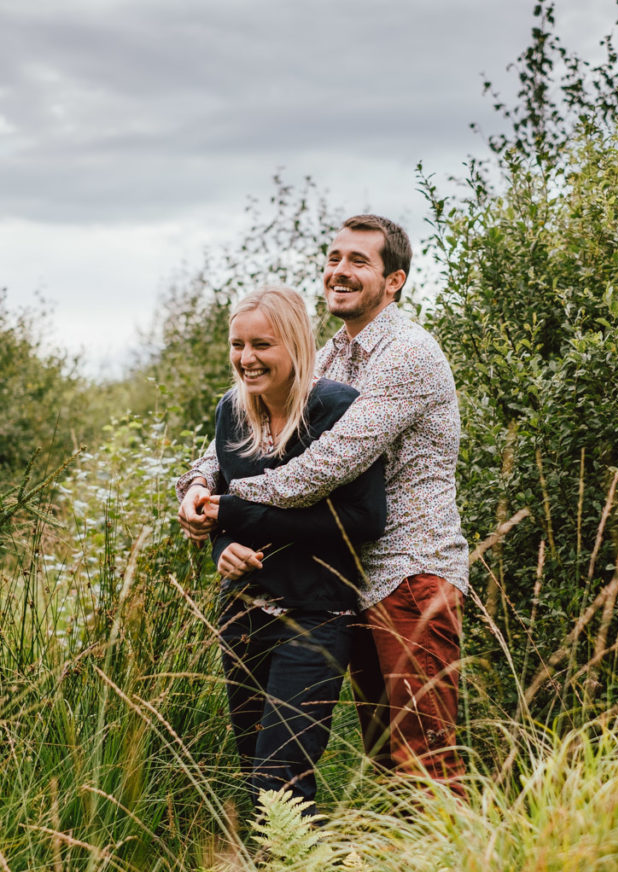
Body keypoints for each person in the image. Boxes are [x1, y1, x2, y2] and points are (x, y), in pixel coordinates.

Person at [177, 215, 469, 796]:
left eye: (359, 261)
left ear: (395, 281)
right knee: (385, 762)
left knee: (425, 758)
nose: (339, 270)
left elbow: (325, 467)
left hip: (409, 572)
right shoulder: (332, 356)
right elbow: (233, 439)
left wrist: (225, 506)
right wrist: (195, 487)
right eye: (334, 257)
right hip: (345, 579)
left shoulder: (408, 353)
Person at [187, 284, 386, 816]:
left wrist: (235, 515)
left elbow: (365, 520)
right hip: (242, 611)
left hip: (317, 613)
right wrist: (222, 547)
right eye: (237, 345)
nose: (246, 359)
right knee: (254, 766)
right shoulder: (230, 412)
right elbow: (221, 504)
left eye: (262, 345)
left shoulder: (338, 410)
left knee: (282, 776)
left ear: (295, 344)